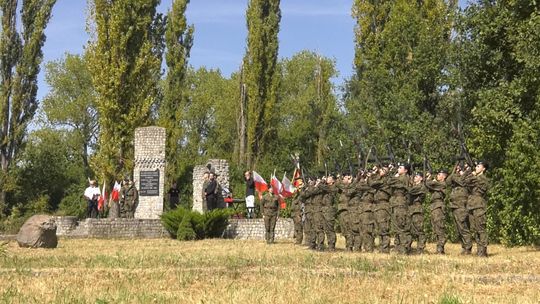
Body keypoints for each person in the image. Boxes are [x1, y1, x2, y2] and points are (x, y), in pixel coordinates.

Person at [465, 161, 490, 257]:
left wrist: (471, 174)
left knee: (481, 229)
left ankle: (483, 251)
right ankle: (479, 250)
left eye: (478, 166)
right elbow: (465, 182)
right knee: (474, 229)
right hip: (471, 205)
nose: (476, 167)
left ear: (483, 169)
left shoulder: (482, 179)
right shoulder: (475, 177)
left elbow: (470, 181)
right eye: (476, 166)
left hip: (479, 206)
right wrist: (469, 173)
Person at [425, 169, 449, 254]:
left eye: (439, 174)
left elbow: (428, 183)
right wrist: (429, 178)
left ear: (444, 176)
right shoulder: (437, 185)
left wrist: (430, 177)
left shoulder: (442, 184)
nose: (437, 176)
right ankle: (439, 248)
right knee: (435, 228)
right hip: (434, 206)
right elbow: (427, 185)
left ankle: (440, 247)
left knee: (439, 227)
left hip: (438, 206)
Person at [409, 172, 427, 253]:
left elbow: (411, 191)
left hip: (417, 209)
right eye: (414, 176)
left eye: (417, 176)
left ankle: (420, 248)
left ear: (421, 178)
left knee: (419, 229)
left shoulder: (421, 187)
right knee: (410, 229)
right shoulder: (413, 186)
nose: (415, 177)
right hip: (411, 209)